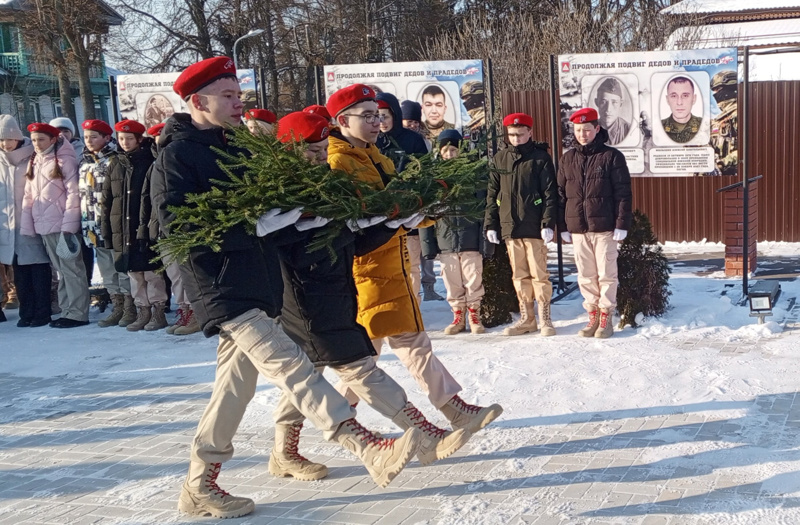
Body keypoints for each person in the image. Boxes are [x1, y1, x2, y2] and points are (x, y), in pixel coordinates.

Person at [150, 57, 422, 519]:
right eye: (228, 96)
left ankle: (199, 486)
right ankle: (363, 443)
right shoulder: (176, 155)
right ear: (198, 101)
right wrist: (250, 226)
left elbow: (269, 215)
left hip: (258, 284)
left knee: (232, 391)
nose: (239, 103)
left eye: (239, 95)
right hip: (223, 289)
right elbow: (176, 224)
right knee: (294, 367)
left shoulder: (232, 146)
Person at [267, 111, 472, 481]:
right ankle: (410, 437)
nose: (319, 158)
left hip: (338, 286)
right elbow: (285, 248)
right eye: (311, 152)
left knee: (321, 371)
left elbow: (352, 237)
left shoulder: (333, 178)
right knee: (329, 371)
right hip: (304, 297)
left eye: (319, 150)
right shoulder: (285, 187)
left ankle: (285, 450)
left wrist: (396, 221)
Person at [327, 83, 503, 433]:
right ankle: (335, 420)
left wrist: (429, 208)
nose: (377, 123)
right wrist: (395, 216)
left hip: (392, 266)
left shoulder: (375, 155)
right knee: (364, 357)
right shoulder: (339, 161)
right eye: (368, 117)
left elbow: (400, 206)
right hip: (366, 273)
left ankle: (453, 409)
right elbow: (358, 220)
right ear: (343, 121)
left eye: (378, 115)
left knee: (407, 343)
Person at [557, 108, 632, 338]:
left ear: (596, 129)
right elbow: (560, 195)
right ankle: (592, 316)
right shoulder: (568, 158)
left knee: (606, 274)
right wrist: (562, 226)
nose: (582, 134)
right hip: (578, 229)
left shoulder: (611, 157)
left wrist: (622, 224)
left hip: (604, 228)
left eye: (587, 130)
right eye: (578, 130)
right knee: (586, 275)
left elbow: (623, 193)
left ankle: (606, 317)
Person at [485, 113, 558, 337]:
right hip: (510, 226)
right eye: (511, 134)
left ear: (530, 133)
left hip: (534, 224)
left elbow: (550, 193)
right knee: (519, 275)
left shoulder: (540, 158)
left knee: (539, 274)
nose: (515, 138)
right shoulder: (500, 159)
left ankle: (545, 318)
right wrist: (490, 224)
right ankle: (527, 318)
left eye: (520, 133)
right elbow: (492, 194)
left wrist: (548, 222)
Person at [375, 93, 444, 302]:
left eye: (385, 116)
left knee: (411, 264)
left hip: (408, 213)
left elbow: (425, 174)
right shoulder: (373, 140)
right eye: (376, 117)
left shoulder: (412, 139)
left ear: (395, 115)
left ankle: (411, 302)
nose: (381, 122)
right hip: (379, 215)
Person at [21, 123, 89, 328]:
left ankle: (78, 313)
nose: (37, 144)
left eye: (41, 139)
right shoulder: (35, 161)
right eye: (33, 140)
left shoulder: (64, 160)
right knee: (61, 270)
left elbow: (73, 194)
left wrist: (69, 225)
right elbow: (29, 195)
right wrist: (28, 224)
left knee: (72, 270)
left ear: (52, 139)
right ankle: (67, 309)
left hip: (62, 225)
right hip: (44, 226)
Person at [103, 119, 168, 332]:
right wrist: (107, 231)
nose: (124, 142)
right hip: (122, 226)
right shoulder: (116, 163)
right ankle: (142, 309)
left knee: (151, 272)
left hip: (144, 224)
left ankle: (158, 310)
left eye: (129, 139)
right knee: (133, 272)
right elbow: (107, 199)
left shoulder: (150, 160)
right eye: (121, 138)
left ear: (139, 139)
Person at [423, 129, 486, 335]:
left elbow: (484, 207)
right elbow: (427, 213)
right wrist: (428, 246)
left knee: (473, 278)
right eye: (445, 151)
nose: (449, 154)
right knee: (452, 280)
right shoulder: (434, 178)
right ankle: (458, 315)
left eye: (453, 150)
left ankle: (474, 313)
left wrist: (485, 240)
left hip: (470, 238)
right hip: (445, 239)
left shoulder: (474, 173)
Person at [80, 119, 137, 328]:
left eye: (94, 136)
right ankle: (117, 306)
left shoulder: (116, 160)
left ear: (106, 138)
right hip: (92, 224)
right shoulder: (85, 162)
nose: (89, 141)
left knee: (120, 266)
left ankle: (130, 307)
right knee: (106, 269)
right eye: (86, 137)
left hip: (113, 224)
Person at [0, 115, 51, 327]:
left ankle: (42, 311)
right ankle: (26, 312)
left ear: (17, 138)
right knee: (19, 273)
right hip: (9, 226)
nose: (5, 144)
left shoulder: (31, 157)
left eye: (8, 139)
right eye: (1, 140)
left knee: (38, 269)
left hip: (31, 221)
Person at [661, 76, 702, 144]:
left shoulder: (705, 126)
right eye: (674, 96)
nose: (679, 102)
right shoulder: (657, 128)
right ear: (667, 99)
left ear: (694, 99)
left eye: (685, 96)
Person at [594, 77, 630, 146]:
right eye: (603, 102)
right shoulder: (590, 129)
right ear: (596, 102)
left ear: (620, 104)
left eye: (614, 102)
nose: (608, 109)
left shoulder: (629, 130)